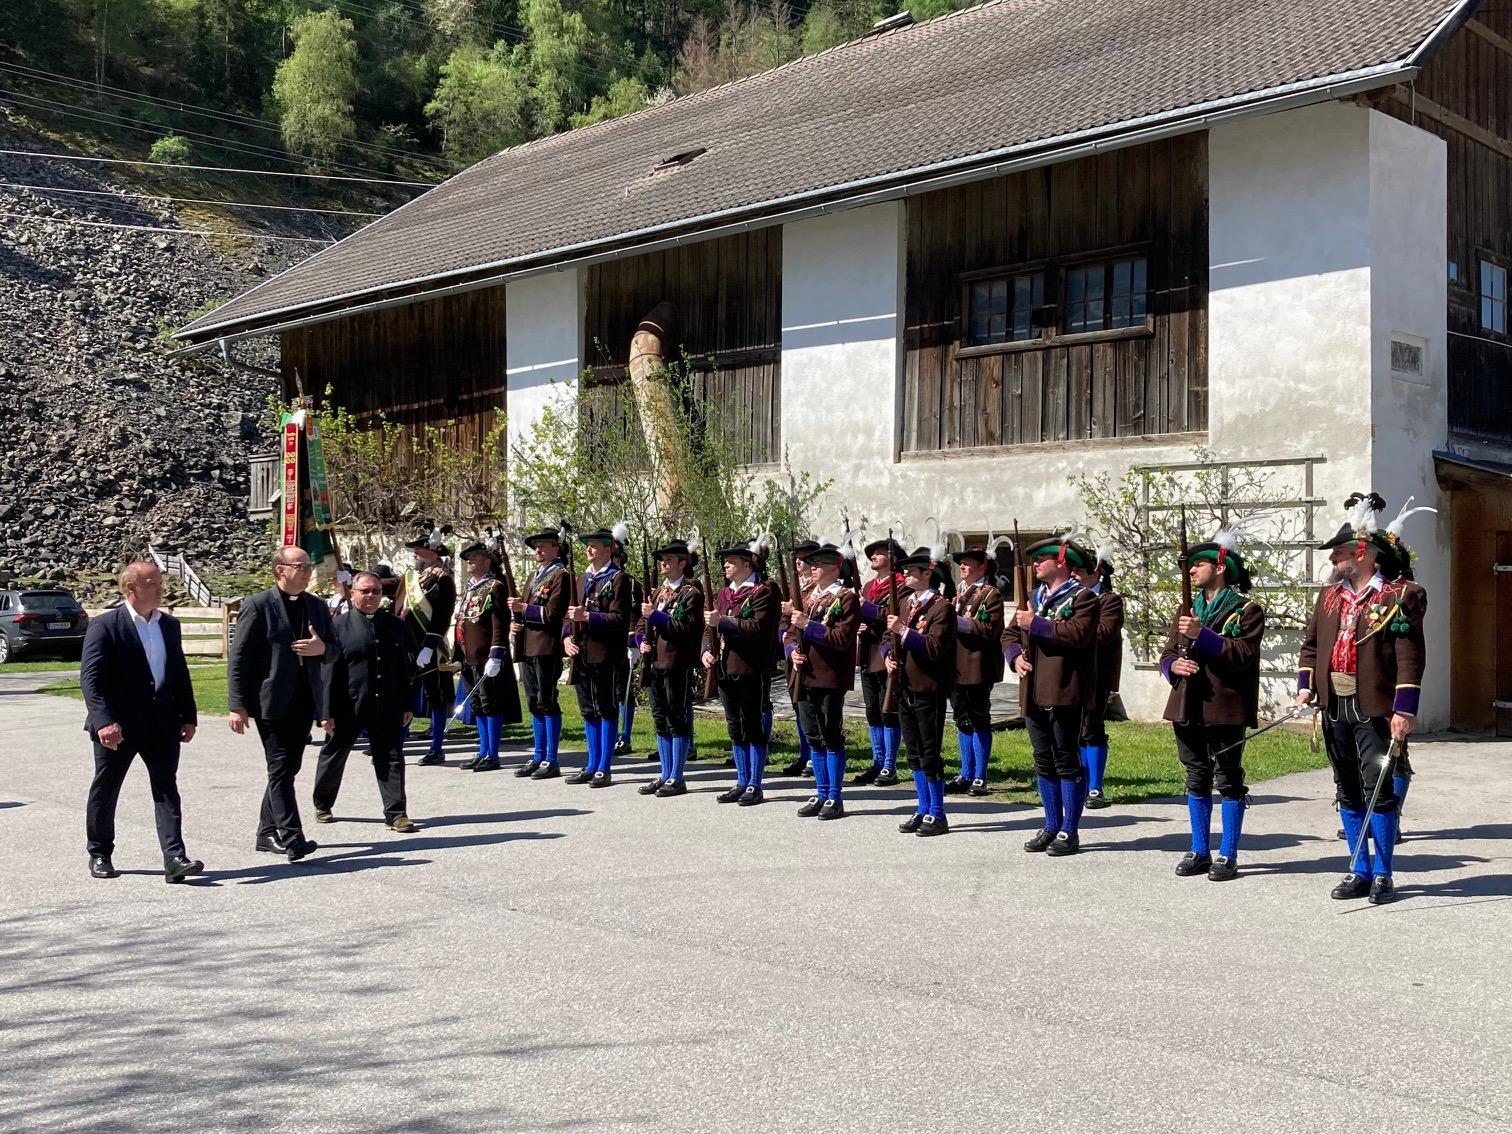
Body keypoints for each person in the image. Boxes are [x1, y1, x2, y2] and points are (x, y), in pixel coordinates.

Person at [1296, 493, 1431, 906]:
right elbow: (1311, 647)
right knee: (1348, 788)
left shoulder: (1398, 596)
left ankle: (1385, 874)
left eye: (1338, 552)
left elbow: (1410, 657)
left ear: (1362, 552)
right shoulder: (1329, 596)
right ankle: (1358, 868)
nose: (1332, 559)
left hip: (1374, 706)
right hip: (1335, 704)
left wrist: (1404, 710)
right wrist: (1306, 684)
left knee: (1379, 789)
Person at [80, 561, 202, 883]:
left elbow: (179, 674)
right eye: (153, 583)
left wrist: (188, 716)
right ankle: (100, 852)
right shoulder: (105, 626)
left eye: (160, 582)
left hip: (161, 724)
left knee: (166, 789)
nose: (161, 588)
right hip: (117, 728)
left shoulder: (168, 625)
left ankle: (175, 858)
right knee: (106, 789)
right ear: (131, 589)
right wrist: (104, 721)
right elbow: (91, 681)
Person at [1159, 525, 1265, 882]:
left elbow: (1243, 655)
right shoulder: (1186, 608)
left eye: (1198, 564)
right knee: (1195, 776)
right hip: (1187, 703)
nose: (1190, 571)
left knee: (1228, 778)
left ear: (1220, 567)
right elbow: (1168, 653)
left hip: (1225, 706)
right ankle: (1199, 849)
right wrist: (1173, 665)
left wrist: (1201, 635)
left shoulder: (1246, 611)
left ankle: (1228, 853)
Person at [227, 545, 335, 863]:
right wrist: (237, 705)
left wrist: (321, 648)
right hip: (269, 701)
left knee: (288, 768)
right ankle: (292, 837)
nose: (307, 571)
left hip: (304, 700)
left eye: (308, 566)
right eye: (300, 566)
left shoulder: (316, 606)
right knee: (280, 766)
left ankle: (265, 832)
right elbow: (239, 658)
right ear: (280, 570)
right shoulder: (257, 606)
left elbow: (335, 649)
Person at [1004, 535, 1097, 856]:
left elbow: (1079, 635)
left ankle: (1069, 830)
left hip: (1064, 688)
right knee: (1043, 758)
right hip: (1033, 689)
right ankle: (1051, 823)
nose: (1035, 565)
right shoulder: (1034, 596)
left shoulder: (1083, 598)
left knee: (1066, 758)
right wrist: (1015, 654)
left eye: (1041, 560)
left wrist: (1037, 623)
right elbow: (1010, 633)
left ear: (1060, 562)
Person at [312, 571, 418, 831]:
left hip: (388, 703)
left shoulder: (394, 625)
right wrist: (326, 711)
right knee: (334, 755)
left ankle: (396, 813)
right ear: (353, 593)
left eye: (376, 591)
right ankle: (322, 803)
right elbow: (328, 673)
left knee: (391, 757)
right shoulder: (337, 627)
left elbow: (402, 668)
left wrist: (407, 703)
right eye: (365, 591)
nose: (371, 596)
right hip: (349, 704)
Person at [885, 548, 958, 835]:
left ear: (928, 574)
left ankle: (937, 813)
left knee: (930, 751)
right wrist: (888, 654)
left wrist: (905, 631)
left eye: (912, 570)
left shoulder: (942, 608)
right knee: (914, 752)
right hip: (905, 685)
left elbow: (935, 648)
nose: (905, 574)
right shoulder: (905, 603)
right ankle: (922, 807)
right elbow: (886, 637)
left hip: (929, 687)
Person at [787, 542, 861, 820]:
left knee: (830, 736)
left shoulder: (846, 598)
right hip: (804, 674)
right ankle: (821, 792)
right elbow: (792, 633)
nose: (813, 568)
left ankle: (835, 797)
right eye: (812, 564)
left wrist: (809, 625)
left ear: (834, 567)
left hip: (829, 675)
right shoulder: (807, 597)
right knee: (813, 737)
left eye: (818, 564)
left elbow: (841, 639)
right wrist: (793, 651)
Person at [704, 540, 780, 803]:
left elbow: (758, 628)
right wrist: (706, 648)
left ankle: (755, 784)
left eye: (732, 561)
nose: (726, 564)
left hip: (749, 667)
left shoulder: (764, 591)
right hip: (725, 668)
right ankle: (741, 779)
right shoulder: (725, 594)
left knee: (752, 726)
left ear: (748, 564)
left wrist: (723, 621)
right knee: (735, 727)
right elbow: (709, 626)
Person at [566, 524, 634, 787]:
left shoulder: (618, 578)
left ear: (609, 549)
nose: (588, 549)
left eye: (594, 545)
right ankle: (591, 762)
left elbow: (619, 618)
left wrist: (588, 616)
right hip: (581, 651)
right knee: (588, 709)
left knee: (605, 707)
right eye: (587, 545)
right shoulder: (583, 578)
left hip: (605, 652)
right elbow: (568, 614)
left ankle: (603, 767)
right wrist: (565, 638)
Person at [637, 539, 705, 797]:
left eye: (669, 560)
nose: (664, 564)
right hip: (655, 661)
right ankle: (664, 773)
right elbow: (644, 626)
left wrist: (655, 615)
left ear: (682, 563)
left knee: (676, 718)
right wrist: (640, 641)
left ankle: (677, 776)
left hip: (677, 662)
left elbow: (685, 630)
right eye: (662, 560)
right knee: (660, 718)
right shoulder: (658, 593)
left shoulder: (691, 593)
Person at [454, 541, 519, 771]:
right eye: (468, 557)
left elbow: (499, 623)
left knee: (490, 703)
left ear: (487, 560)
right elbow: (462, 621)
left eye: (474, 557)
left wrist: (496, 653)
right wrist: (457, 652)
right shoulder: (471, 587)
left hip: (485, 655)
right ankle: (482, 750)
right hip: (468, 654)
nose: (469, 560)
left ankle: (493, 753)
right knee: (477, 705)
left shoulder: (494, 587)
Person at [511, 529, 570, 778]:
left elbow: (554, 614)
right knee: (534, 702)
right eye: (536, 546)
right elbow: (524, 609)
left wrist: (524, 608)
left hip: (546, 645)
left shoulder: (560, 575)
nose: (538, 550)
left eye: (543, 546)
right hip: (529, 645)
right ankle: (538, 754)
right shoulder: (535, 575)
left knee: (547, 701)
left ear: (556, 548)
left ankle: (551, 758)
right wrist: (515, 622)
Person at [948, 545, 1004, 797]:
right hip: (954, 664)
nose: (963, 566)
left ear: (982, 567)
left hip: (977, 664)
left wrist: (956, 622)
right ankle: (965, 772)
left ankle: (980, 776)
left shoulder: (990, 594)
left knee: (979, 718)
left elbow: (989, 629)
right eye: (961, 562)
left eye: (969, 562)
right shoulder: (953, 593)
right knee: (961, 719)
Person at [401, 529, 457, 767]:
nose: (415, 552)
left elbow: (443, 616)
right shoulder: (414, 577)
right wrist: (354, 579)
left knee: (436, 695)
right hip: (408, 644)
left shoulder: (443, 579)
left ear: (433, 551)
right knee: (404, 694)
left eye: (419, 548)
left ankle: (437, 747)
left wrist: (429, 644)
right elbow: (391, 585)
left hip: (429, 647)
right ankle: (398, 742)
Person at [1074, 549, 1125, 809]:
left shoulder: (1109, 600)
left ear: (1097, 572)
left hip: (1096, 674)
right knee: (1072, 731)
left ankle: (1095, 787)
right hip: (1069, 674)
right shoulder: (1067, 598)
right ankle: (1077, 782)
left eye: (1080, 570)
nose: (1074, 574)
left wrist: (1072, 628)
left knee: (1091, 728)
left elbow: (1104, 633)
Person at [855, 537, 905, 787]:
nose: (873, 556)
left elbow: (896, 615)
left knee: (889, 711)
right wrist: (859, 622)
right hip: (868, 651)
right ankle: (877, 761)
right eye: (871, 553)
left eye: (878, 552)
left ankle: (889, 765)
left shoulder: (901, 585)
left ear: (892, 557)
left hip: (887, 653)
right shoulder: (867, 587)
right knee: (872, 711)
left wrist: (870, 611)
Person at [778, 539, 820, 778]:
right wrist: (789, 644)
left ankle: (816, 757)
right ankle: (805, 755)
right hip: (793, 655)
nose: (798, 562)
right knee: (798, 706)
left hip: (813, 657)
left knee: (815, 712)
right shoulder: (796, 588)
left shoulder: (817, 591)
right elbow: (784, 625)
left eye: (804, 558)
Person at [613, 543, 645, 759]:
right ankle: (611, 735)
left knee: (623, 690)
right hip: (606, 643)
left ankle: (625, 736)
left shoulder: (630, 582)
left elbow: (635, 613)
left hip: (626, 641)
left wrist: (633, 639)